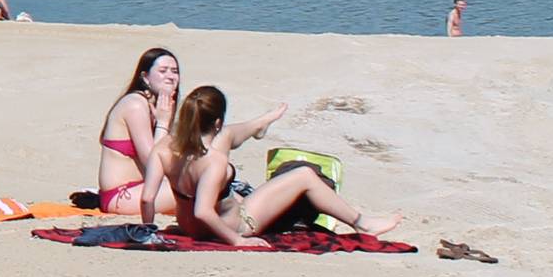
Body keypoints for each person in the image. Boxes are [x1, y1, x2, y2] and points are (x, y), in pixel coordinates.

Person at [160, 86, 401, 247]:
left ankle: (258, 125)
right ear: (217, 121)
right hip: (237, 224)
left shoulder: (169, 148)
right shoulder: (214, 161)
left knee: (227, 136)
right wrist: (238, 242)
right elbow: (203, 211)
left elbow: (149, 197)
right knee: (304, 175)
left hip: (194, 225)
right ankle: (361, 222)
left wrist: (148, 226)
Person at [95, 48, 179, 220]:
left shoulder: (157, 107)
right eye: (163, 71)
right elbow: (153, 162)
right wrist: (163, 122)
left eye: (175, 71)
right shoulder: (135, 104)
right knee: (200, 187)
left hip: (143, 188)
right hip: (120, 196)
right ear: (145, 77)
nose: (170, 76)